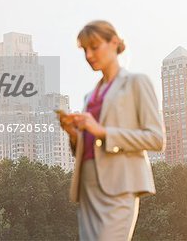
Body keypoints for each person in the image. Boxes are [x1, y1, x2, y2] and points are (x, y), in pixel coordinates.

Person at [58, 20, 166, 241]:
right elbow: (88, 146)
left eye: (94, 47)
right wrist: (73, 133)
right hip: (87, 186)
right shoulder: (89, 96)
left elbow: (156, 138)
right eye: (84, 50)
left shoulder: (136, 82)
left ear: (114, 42)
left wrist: (103, 132)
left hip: (119, 183)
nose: (89, 55)